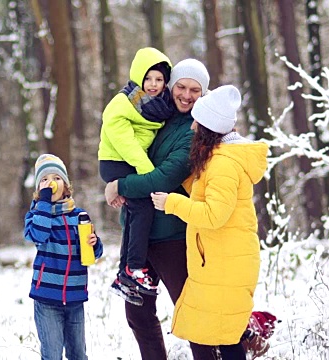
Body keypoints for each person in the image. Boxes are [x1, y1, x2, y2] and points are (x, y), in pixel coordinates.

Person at [104, 58, 216, 359]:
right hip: (139, 235)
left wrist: (119, 186)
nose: (187, 95)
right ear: (170, 86)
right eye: (181, 86)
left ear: (203, 94)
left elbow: (164, 178)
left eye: (195, 90)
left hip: (171, 236)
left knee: (190, 312)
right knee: (138, 315)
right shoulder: (157, 114)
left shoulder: (196, 131)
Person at [150, 85, 268, 360]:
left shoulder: (223, 164)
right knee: (222, 334)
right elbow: (210, 191)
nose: (191, 127)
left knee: (226, 338)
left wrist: (172, 204)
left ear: (209, 128)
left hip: (226, 263)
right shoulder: (220, 160)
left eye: (197, 121)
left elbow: (215, 214)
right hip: (223, 260)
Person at [98, 47, 176, 301]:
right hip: (117, 161)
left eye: (159, 79)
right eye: (149, 78)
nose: (153, 84)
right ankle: (133, 267)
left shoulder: (159, 105)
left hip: (131, 162)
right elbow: (126, 143)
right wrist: (147, 172)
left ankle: (124, 273)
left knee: (134, 211)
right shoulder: (123, 103)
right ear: (138, 76)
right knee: (142, 208)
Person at [24, 153, 104, 360]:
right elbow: (38, 235)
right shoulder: (35, 216)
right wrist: (44, 203)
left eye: (57, 178)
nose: (51, 183)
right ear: (38, 189)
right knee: (52, 354)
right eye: (44, 179)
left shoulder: (79, 215)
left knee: (78, 354)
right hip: (47, 298)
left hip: (75, 296)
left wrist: (95, 244)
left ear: (67, 185)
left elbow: (93, 254)